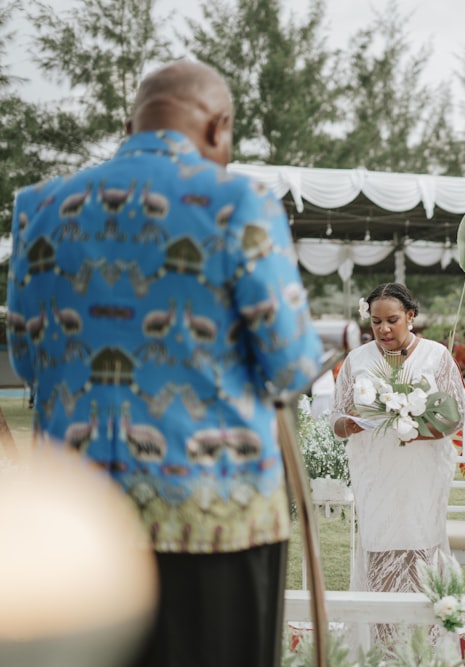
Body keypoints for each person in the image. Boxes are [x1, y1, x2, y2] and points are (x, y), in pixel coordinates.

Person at [6, 60, 323, 667]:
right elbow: (289, 367)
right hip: (215, 519)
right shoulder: (238, 199)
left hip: (79, 527)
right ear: (218, 127)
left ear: (132, 123)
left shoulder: (38, 206)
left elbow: (27, 357)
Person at [329, 283, 465, 645]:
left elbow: (456, 416)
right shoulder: (357, 360)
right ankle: (385, 646)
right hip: (375, 474)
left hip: (423, 473)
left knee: (422, 546)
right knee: (379, 545)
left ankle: (427, 643)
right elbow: (336, 422)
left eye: (392, 320)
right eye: (375, 322)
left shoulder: (436, 356)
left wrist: (417, 431)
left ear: (411, 316)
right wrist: (353, 422)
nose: (383, 329)